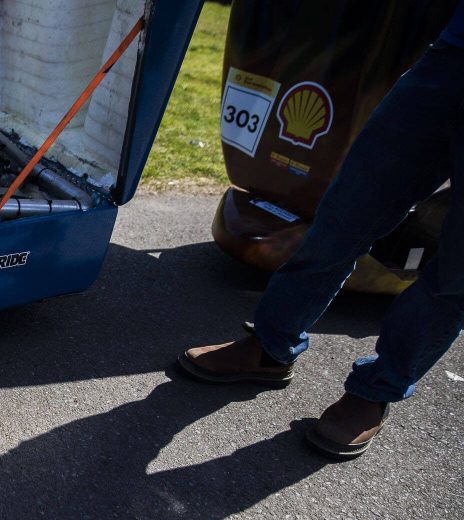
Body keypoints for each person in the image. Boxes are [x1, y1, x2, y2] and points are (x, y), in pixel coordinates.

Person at [179, 3, 464, 459]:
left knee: (455, 276)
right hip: (451, 60)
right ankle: (271, 347)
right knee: (343, 215)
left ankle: (376, 391)